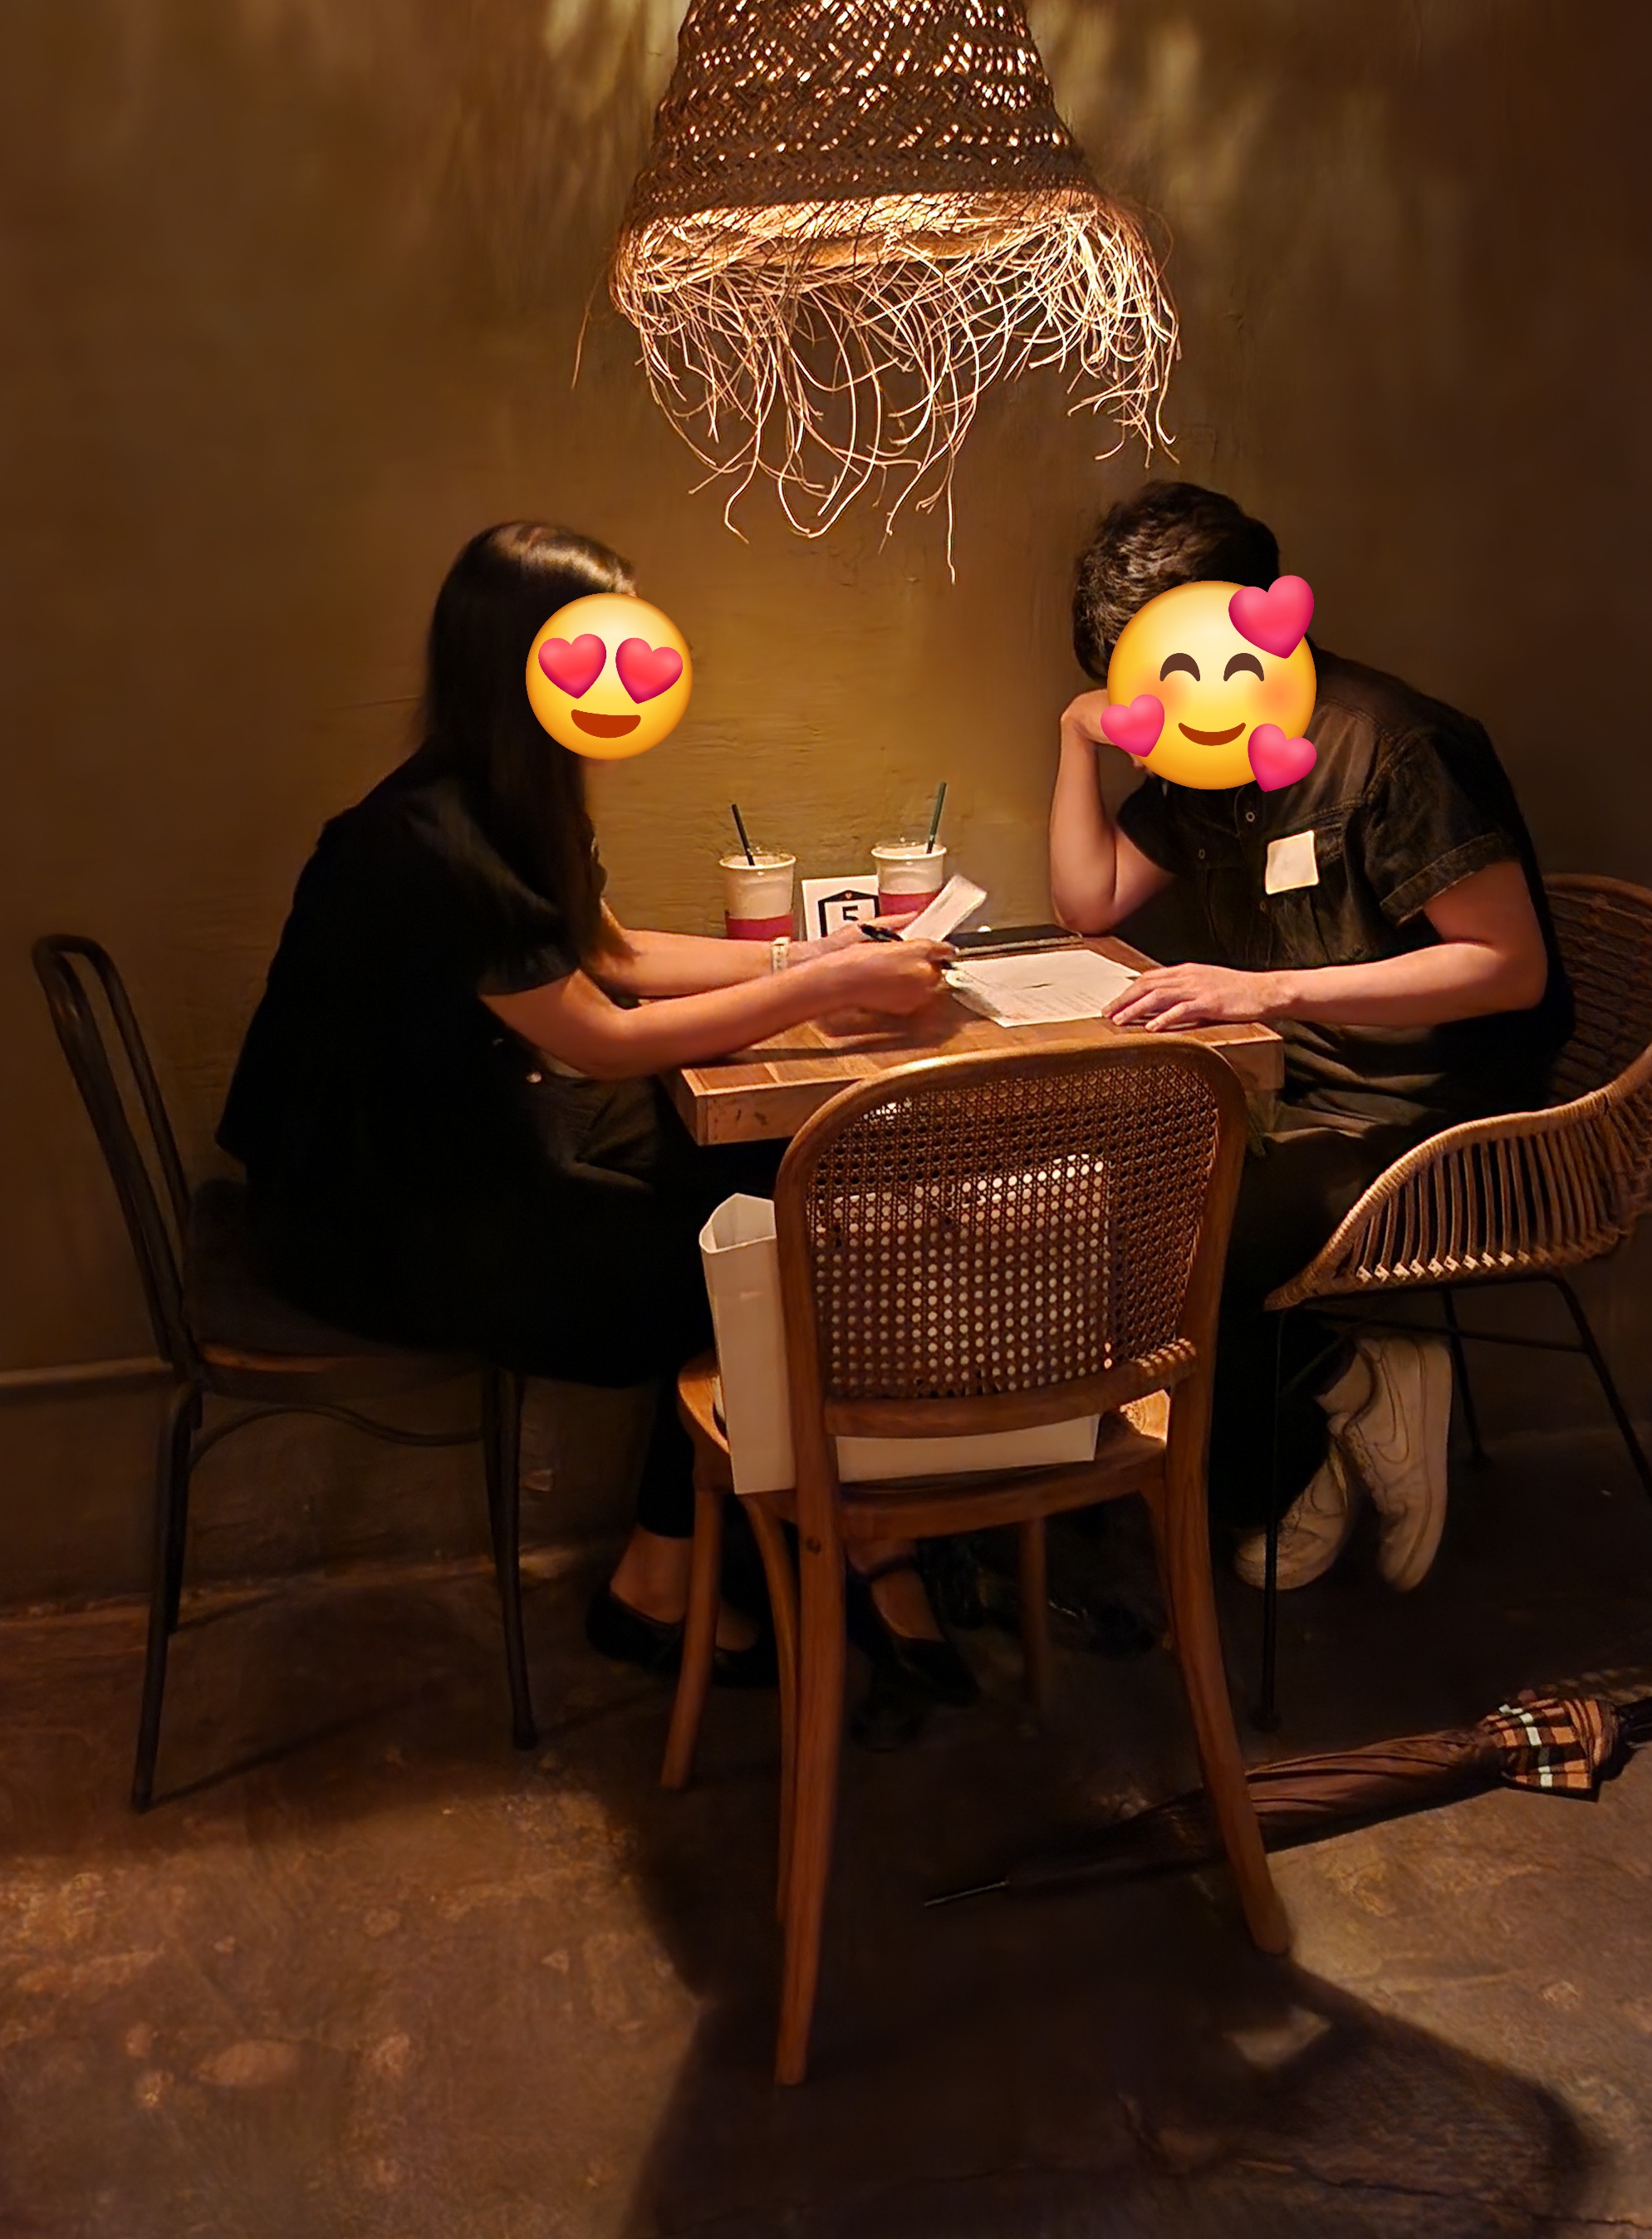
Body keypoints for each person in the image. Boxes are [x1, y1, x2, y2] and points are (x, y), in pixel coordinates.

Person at [219, 520, 963, 1690]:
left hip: (464, 1140)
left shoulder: (512, 795)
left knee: (762, 1183)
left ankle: (809, 1532)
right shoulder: (431, 838)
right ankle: (668, 1580)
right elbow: (604, 1039)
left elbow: (609, 955)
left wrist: (811, 957)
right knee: (753, 1267)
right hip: (369, 1217)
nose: (627, 679)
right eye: (597, 651)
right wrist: (830, 989)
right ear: (515, 660)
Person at [1049, 482, 1570, 1593]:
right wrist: (1073, 742)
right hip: (1287, 1094)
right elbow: (1087, 902)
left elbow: (1508, 966)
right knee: (1094, 1203)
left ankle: (1303, 1445)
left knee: (1186, 1241)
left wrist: (1262, 991)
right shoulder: (1210, 740)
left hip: (1431, 1115)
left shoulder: (1392, 746)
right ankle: (1344, 1405)